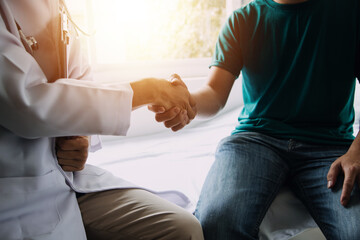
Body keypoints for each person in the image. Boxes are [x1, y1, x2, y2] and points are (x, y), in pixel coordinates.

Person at [151, 0, 360, 239]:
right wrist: (186, 102)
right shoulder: (242, 20)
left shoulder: (350, 12)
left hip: (329, 148)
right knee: (216, 224)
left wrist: (357, 151)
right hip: (256, 141)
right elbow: (214, 94)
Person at [0, 0, 203, 239]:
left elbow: (80, 83)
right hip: (14, 195)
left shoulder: (55, 5)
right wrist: (150, 90)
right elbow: (26, 103)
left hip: (68, 179)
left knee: (183, 230)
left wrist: (80, 136)